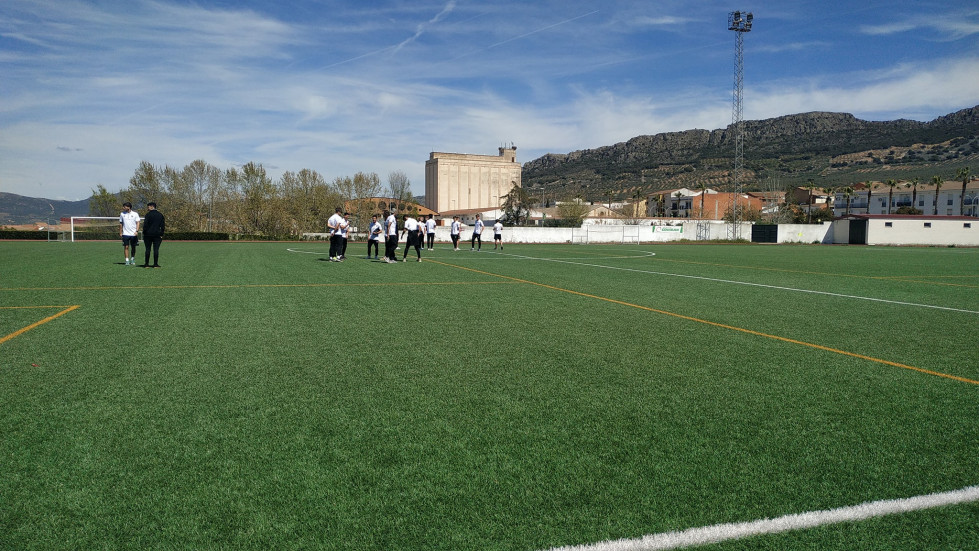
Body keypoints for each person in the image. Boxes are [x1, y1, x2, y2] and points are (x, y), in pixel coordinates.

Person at [141, 202, 165, 268]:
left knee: (148, 249)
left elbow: (145, 225)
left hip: (148, 234)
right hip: (157, 234)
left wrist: (144, 232)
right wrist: (161, 234)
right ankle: (155, 264)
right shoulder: (160, 215)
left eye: (148, 207)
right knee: (156, 250)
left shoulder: (148, 215)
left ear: (152, 206)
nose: (147, 208)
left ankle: (146, 264)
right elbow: (162, 225)